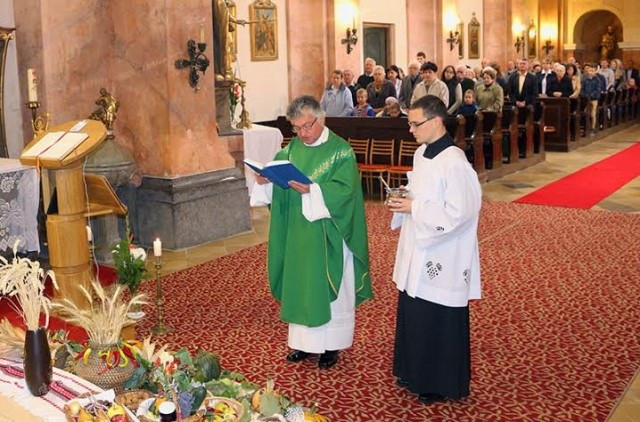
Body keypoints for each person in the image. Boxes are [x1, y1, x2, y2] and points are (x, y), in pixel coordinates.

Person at [250, 95, 373, 369]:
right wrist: (266, 180)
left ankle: (332, 345)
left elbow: (346, 193)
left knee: (328, 289)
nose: (303, 133)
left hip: (328, 234)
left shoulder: (341, 152)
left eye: (307, 126)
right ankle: (304, 344)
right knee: (301, 285)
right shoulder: (290, 151)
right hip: (298, 234)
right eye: (297, 128)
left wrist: (314, 190)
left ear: (321, 118)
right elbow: (278, 182)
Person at [387, 94, 482, 404]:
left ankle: (439, 382)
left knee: (436, 317)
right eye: (410, 123)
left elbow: (460, 212)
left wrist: (414, 207)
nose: (411, 129)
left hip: (444, 252)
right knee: (415, 311)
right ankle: (412, 371)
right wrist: (404, 198)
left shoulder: (455, 162)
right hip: (418, 245)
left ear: (437, 121)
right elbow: (422, 194)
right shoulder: (421, 153)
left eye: (416, 124)